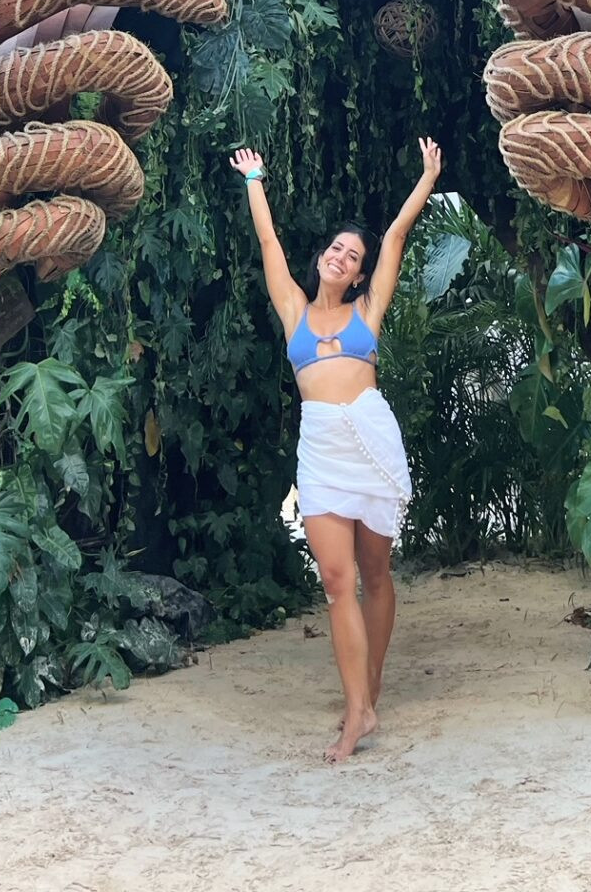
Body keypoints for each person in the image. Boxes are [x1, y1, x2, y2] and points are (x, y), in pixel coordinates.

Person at [229, 138, 442, 762]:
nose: (342, 258)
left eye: (353, 257)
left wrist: (427, 178)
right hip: (320, 446)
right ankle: (356, 713)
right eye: (336, 249)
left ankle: (369, 690)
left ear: (356, 274)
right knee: (336, 579)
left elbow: (397, 237)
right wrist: (255, 180)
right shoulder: (293, 309)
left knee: (376, 575)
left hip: (368, 440)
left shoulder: (367, 314)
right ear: (321, 257)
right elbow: (269, 245)